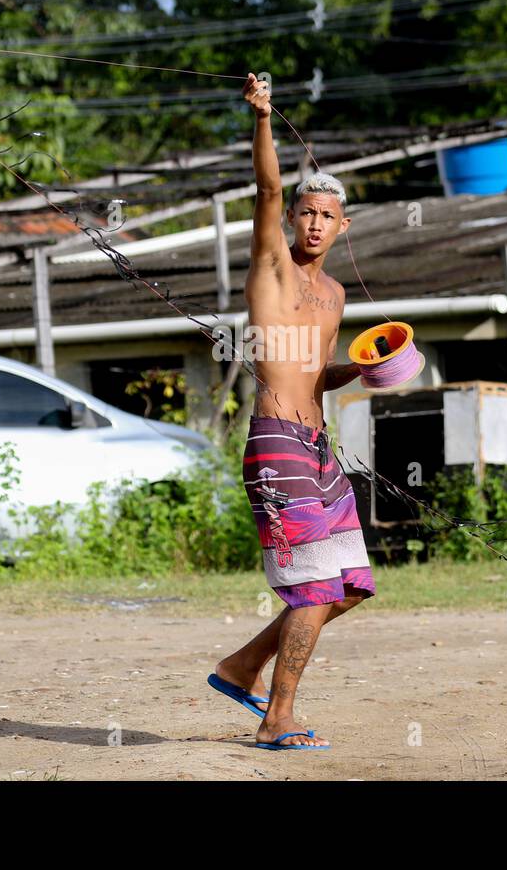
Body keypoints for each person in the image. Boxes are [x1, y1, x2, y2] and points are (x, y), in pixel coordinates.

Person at [207, 73, 376, 751]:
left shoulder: (333, 293)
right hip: (276, 442)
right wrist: (263, 118)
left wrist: (363, 369)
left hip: (318, 449)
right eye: (303, 211)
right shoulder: (271, 265)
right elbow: (268, 189)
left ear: (342, 224)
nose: (310, 222)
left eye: (324, 215)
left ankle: (241, 665)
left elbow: (316, 374)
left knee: (350, 587)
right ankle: (278, 718)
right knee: (312, 589)